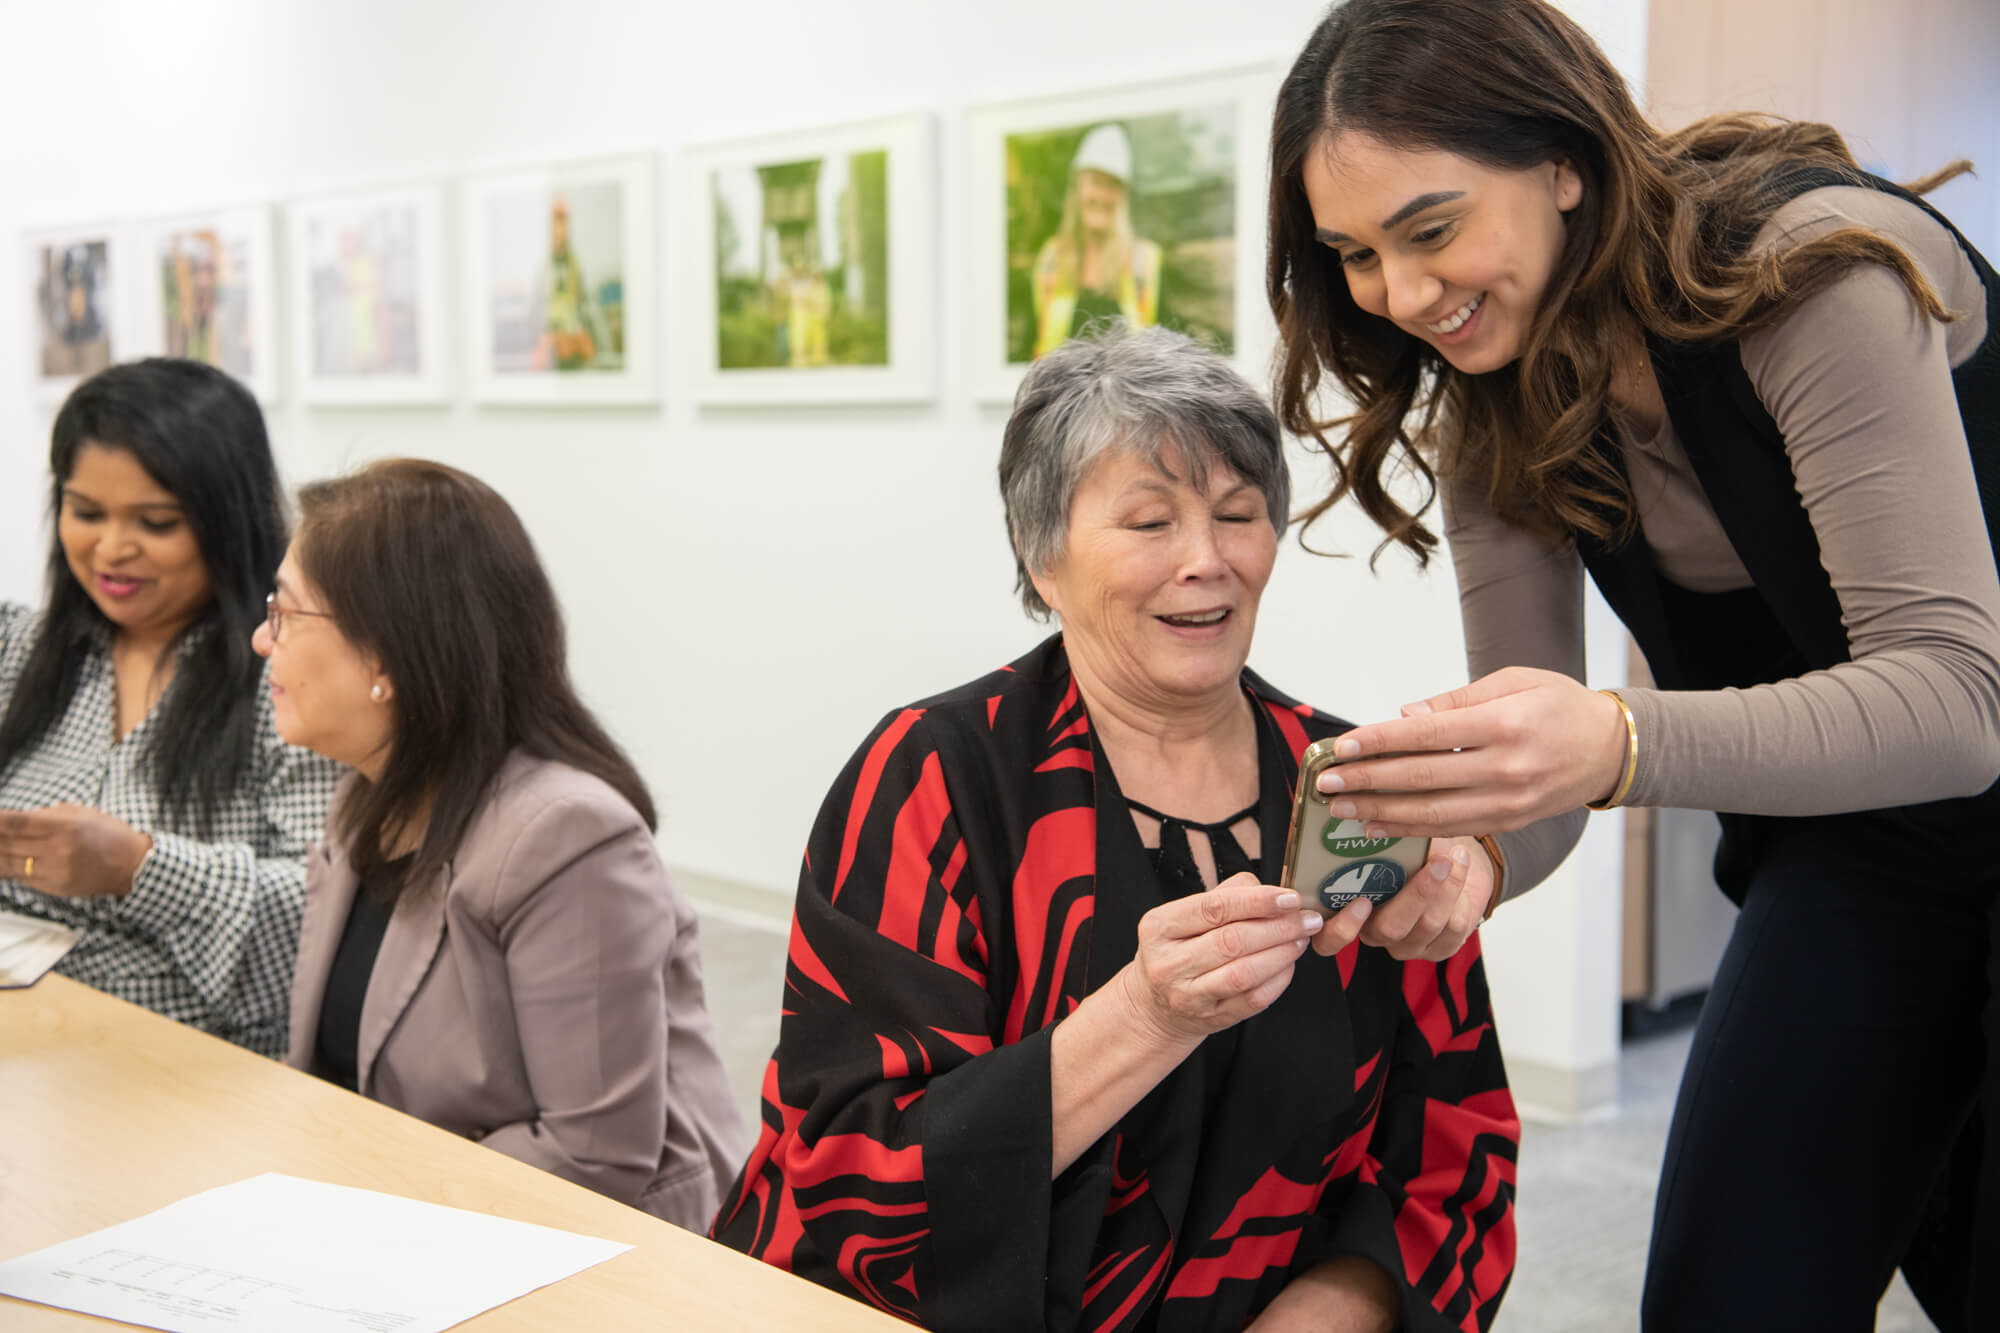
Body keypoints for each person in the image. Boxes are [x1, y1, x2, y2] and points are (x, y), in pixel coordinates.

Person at [1265, 1, 1999, 1328]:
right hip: (1856, 850)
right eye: (1355, 255)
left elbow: (1954, 700)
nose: (1403, 295)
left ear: (1564, 161)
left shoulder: (1811, 275)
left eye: (1430, 229)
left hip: (1964, 762)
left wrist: (1613, 742)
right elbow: (1538, 755)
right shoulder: (1492, 401)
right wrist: (1474, 858)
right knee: (1730, 1292)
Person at [712, 327, 1517, 1331]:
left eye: (1238, 514)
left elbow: (1453, 1152)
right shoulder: (935, 774)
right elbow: (854, 1175)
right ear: (1041, 555)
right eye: (1149, 522)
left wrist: (1322, 1316)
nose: (1206, 561)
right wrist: (1145, 1015)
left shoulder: (1358, 788)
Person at [258, 459, 744, 1230]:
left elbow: (594, 1156)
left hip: (589, 1249)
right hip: (416, 1219)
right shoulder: (364, 796)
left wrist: (371, 1193)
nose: (262, 639)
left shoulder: (567, 836)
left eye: (285, 613)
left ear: (384, 656)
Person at [0, 358, 339, 1057]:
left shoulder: (290, 680)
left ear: (229, 523)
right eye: (85, 513)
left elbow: (330, 917)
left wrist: (141, 868)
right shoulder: (21, 648)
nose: (111, 549)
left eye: (155, 523)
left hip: (194, 1069)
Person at [1031, 123, 1164, 358]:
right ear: (1077, 189)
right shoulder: (1051, 258)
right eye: (1094, 183)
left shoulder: (1144, 261)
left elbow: (1167, 344)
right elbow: (1034, 339)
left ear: (1123, 195)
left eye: (1112, 185)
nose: (1101, 196)